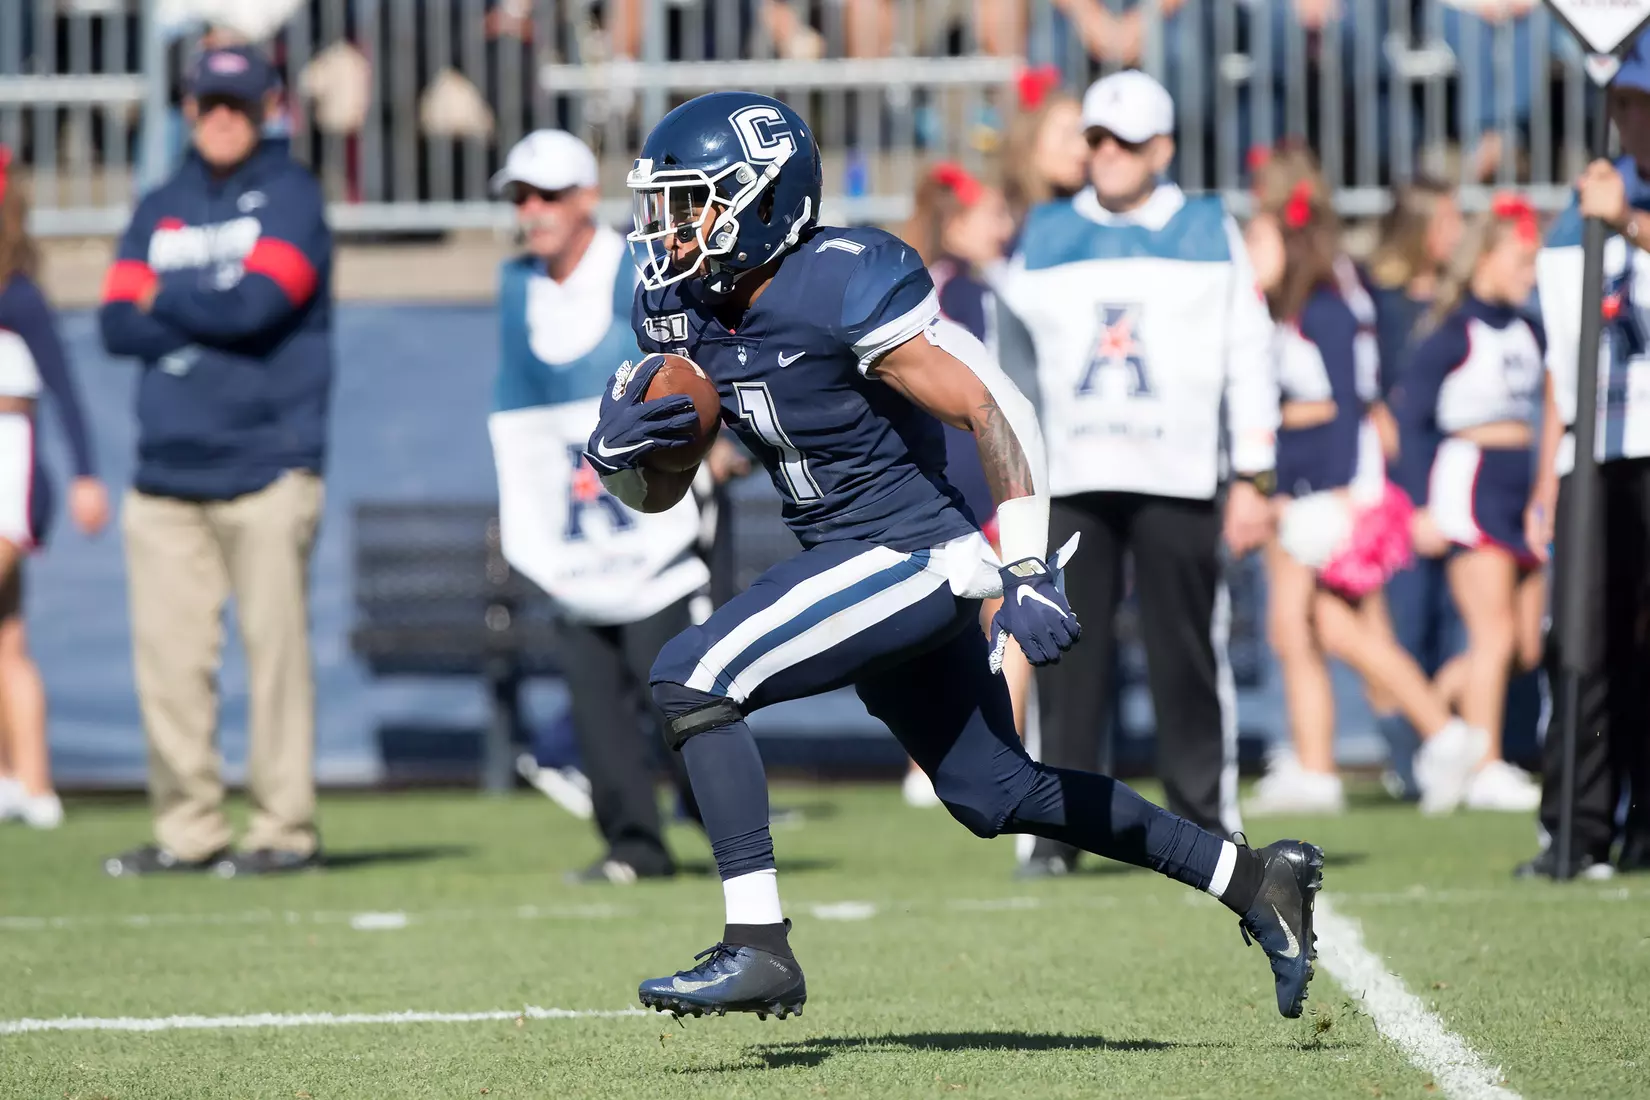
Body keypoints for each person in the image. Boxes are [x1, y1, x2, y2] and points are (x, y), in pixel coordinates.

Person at [586, 90, 1323, 1023]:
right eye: (668, 206)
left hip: (912, 551)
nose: (672, 229)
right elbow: (663, 491)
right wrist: (623, 463)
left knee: (693, 678)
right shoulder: (677, 303)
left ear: (764, 200)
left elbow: (994, 405)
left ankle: (758, 946)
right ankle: (1254, 879)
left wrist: (1024, 564)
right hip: (848, 552)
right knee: (994, 791)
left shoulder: (840, 280)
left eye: (694, 203)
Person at [994, 69, 1274, 870]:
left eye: (1125, 140)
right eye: (1096, 138)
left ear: (1164, 147)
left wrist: (1254, 472)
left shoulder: (1206, 226)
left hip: (1179, 473)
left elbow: (1249, 351)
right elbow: (1007, 363)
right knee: (1066, 661)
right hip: (1072, 478)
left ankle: (1208, 828)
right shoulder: (1045, 231)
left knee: (1185, 652)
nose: (1108, 153)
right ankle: (1059, 831)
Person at [97, 45, 333, 877]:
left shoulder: (295, 194)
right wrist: (208, 308)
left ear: (268, 105)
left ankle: (282, 833)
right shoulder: (160, 201)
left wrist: (166, 298)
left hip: (267, 465)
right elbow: (113, 324)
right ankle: (188, 832)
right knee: (168, 670)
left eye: (238, 101)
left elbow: (262, 304)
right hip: (164, 475)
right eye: (209, 102)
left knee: (275, 664)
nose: (223, 116)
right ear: (188, 109)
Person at [487, 129, 718, 884]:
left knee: (679, 693)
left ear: (588, 197)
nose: (534, 210)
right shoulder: (515, 286)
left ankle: (731, 836)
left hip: (653, 517)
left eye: (549, 194)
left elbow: (697, 361)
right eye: (521, 196)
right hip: (573, 525)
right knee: (592, 700)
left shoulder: (640, 271)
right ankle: (633, 846)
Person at [1241, 175, 1484, 819]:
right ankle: (1434, 735)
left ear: (1291, 242)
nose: (1247, 248)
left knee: (1299, 626)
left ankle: (1330, 765)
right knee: (1326, 627)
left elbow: (1350, 405)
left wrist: (1343, 491)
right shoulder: (1289, 310)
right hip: (1306, 488)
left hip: (1325, 492)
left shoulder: (1324, 309)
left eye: (1258, 236)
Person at [1526, 44, 1650, 877]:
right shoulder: (1580, 214)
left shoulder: (1616, 209)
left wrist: (1631, 224)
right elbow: (1559, 361)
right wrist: (1548, 471)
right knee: (1577, 641)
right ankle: (1574, 828)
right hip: (1594, 453)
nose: (1629, 120)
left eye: (1641, 104)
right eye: (1623, 104)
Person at [1391, 194, 1547, 814]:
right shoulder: (1453, 331)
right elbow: (1412, 418)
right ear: (1485, 258)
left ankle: (1438, 727)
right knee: (1494, 631)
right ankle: (1485, 765)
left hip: (1521, 487)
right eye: (1520, 259)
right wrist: (1421, 504)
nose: (1528, 274)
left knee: (1526, 644)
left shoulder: (1531, 327)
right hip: (1472, 480)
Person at [897, 160, 1026, 809]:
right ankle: (1006, 751)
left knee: (953, 616)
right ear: (957, 222)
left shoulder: (927, 284)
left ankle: (939, 762)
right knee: (1003, 610)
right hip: (972, 463)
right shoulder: (971, 291)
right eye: (993, 216)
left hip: (940, 465)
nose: (1005, 228)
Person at [0, 146, 110, 830]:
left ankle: (30, 783)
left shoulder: (18, 292)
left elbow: (64, 388)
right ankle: (27, 782)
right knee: (8, 640)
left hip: (8, 467)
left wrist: (87, 475)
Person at [1365, 177, 1467, 800]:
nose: (1457, 233)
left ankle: (1448, 742)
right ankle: (1416, 754)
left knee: (1457, 625)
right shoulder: (1383, 304)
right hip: (1398, 489)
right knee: (1400, 625)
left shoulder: (1455, 302)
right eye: (1449, 219)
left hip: (1452, 479)